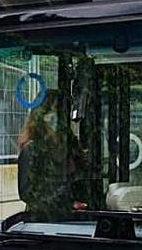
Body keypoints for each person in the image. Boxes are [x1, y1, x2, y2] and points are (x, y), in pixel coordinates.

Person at [17, 93, 90, 221]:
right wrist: (67, 205)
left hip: (78, 221)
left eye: (63, 113)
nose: (59, 119)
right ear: (41, 116)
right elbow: (28, 195)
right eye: (54, 112)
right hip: (46, 223)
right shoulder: (32, 150)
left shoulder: (70, 145)